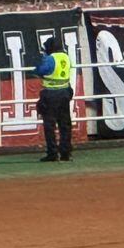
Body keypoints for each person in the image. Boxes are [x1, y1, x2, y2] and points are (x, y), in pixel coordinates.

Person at [33, 35, 75, 163]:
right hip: (65, 93)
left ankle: (52, 153)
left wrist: (38, 66)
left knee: (50, 125)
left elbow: (40, 70)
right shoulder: (66, 57)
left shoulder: (51, 59)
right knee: (65, 124)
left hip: (51, 94)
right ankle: (65, 152)